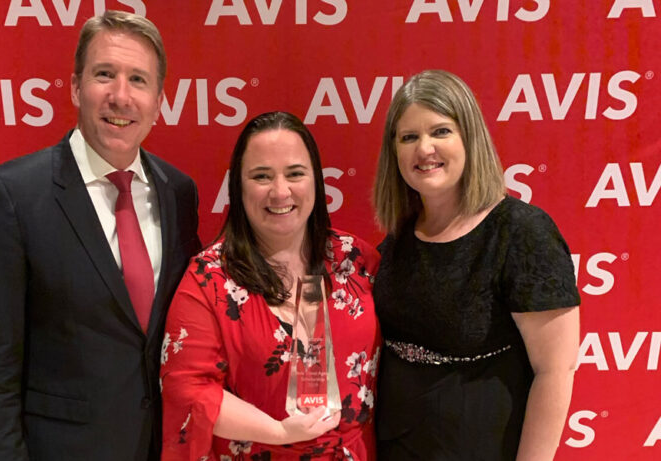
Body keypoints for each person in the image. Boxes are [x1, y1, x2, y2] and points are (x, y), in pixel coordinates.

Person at [0, 11, 201, 460]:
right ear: (75, 87)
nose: (120, 96)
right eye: (104, 74)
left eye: (138, 80)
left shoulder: (179, 193)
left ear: (158, 101)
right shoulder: (12, 196)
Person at [372, 70, 581, 461]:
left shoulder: (521, 232)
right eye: (409, 137)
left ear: (469, 137)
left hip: (481, 446)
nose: (424, 148)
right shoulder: (398, 238)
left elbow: (555, 370)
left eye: (440, 131)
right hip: (396, 444)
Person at [160, 111, 381, 460]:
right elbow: (188, 388)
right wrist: (279, 432)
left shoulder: (356, 261)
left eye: (295, 174)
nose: (280, 191)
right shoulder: (209, 279)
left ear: (317, 181)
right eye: (261, 176)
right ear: (238, 186)